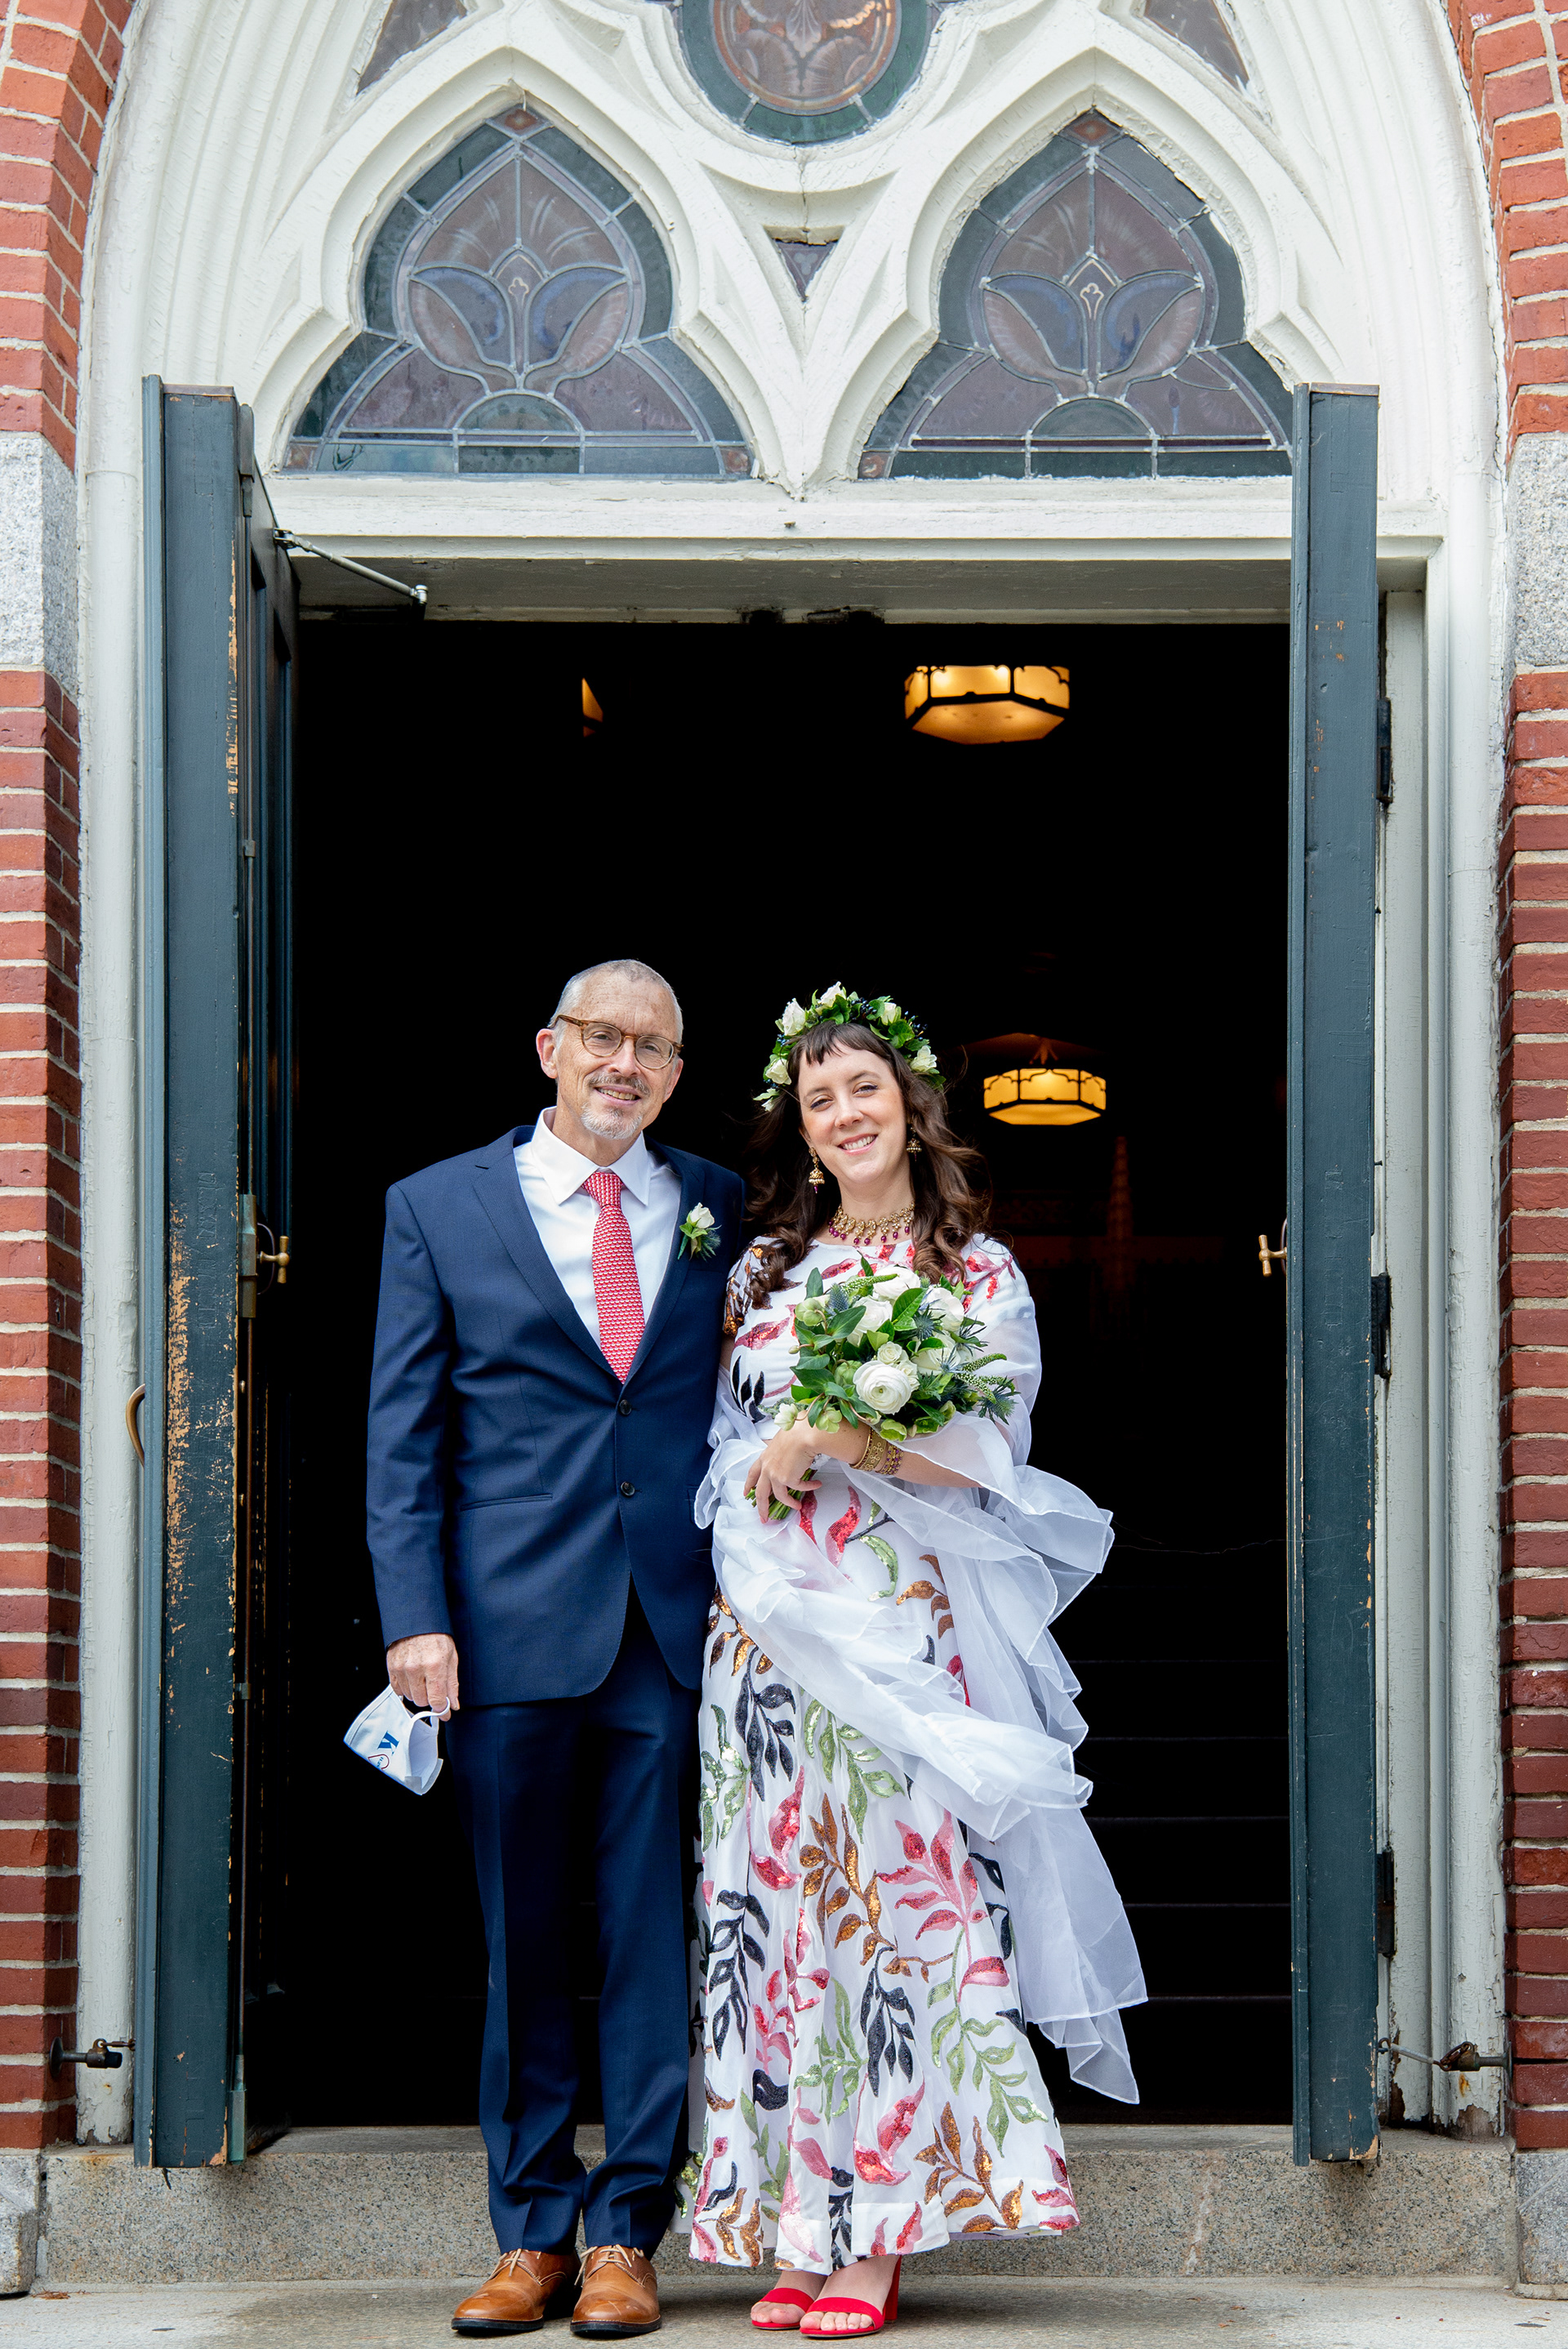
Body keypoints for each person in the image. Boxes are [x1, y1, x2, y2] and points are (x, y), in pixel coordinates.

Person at [685, 987, 1145, 2338]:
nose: (846, 1115)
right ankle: (794, 2221)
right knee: (769, 1915)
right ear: (802, 1127)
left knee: (895, 1906)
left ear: (909, 1104)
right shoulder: (762, 1274)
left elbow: (987, 1456)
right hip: (764, 1640)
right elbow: (721, 1442)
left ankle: (881, 2228)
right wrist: (765, 1484)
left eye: (865, 1089)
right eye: (819, 1098)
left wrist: (842, 1437)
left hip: (898, 1623)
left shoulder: (975, 1272)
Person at [366, 959, 742, 2340]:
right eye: (601, 1037)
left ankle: (627, 2231)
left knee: (650, 1931)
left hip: (667, 1625)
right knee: (522, 1937)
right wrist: (414, 1616)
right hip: (504, 1625)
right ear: (549, 1048)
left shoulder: (719, 1204)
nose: (623, 1063)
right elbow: (404, 1436)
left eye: (652, 1047)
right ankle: (531, 2231)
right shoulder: (437, 1205)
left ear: (677, 1075)